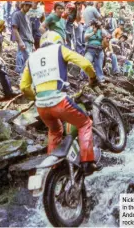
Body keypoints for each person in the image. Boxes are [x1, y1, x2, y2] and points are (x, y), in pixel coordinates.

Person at [20, 31, 102, 176]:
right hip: (59, 101)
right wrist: (93, 78)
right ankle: (87, 162)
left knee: (55, 130)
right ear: (58, 41)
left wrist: (37, 97)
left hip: (41, 106)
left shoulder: (31, 57)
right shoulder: (59, 49)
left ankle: (54, 169)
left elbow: (24, 87)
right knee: (84, 123)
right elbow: (85, 63)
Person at [12, 1, 34, 74]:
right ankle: (19, 74)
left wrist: (32, 40)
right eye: (26, 5)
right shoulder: (17, 14)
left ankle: (22, 75)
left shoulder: (27, 16)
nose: (28, 7)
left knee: (28, 60)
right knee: (21, 57)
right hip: (23, 39)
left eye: (29, 6)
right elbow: (14, 29)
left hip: (29, 40)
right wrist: (20, 41)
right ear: (23, 5)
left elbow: (29, 29)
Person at [84, 19, 107, 83]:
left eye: (96, 25)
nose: (95, 26)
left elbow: (107, 36)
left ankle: (100, 79)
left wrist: (101, 28)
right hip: (90, 49)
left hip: (99, 50)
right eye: (94, 25)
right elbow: (85, 37)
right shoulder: (89, 29)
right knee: (86, 62)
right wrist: (93, 32)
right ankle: (84, 77)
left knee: (99, 65)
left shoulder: (101, 30)